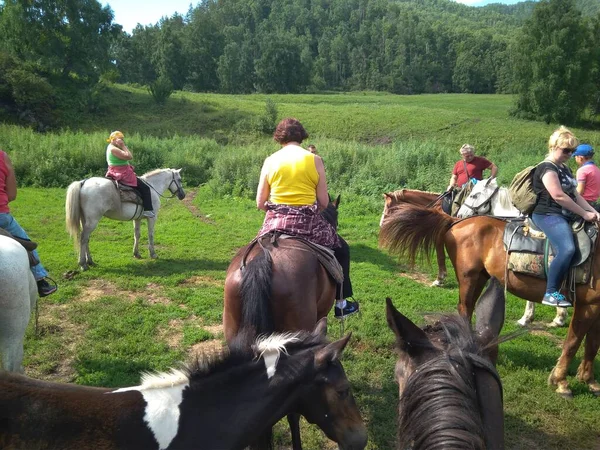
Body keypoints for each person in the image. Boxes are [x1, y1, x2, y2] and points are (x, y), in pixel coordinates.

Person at [256, 118, 359, 318]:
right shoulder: (315, 160)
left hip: (275, 222)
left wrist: (277, 209)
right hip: (308, 222)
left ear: (279, 137)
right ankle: (341, 304)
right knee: (342, 249)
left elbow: (260, 203)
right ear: (302, 136)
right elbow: (323, 201)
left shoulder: (270, 160)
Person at [531, 126, 600, 308]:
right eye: (566, 150)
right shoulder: (546, 168)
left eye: (572, 151)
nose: (569, 154)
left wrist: (595, 214)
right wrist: (584, 213)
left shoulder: (565, 168)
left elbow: (576, 195)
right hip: (547, 214)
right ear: (553, 147)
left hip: (564, 214)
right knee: (567, 248)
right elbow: (558, 196)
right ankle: (551, 292)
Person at [0, 149, 57, 297]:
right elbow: (12, 195)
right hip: (1, 216)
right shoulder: (2, 157)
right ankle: (40, 280)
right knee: (27, 243)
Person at [105, 131, 155, 218]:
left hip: (118, 170)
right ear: (114, 140)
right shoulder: (114, 149)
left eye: (122, 139)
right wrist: (123, 146)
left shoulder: (110, 147)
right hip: (123, 173)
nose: (122, 141)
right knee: (145, 188)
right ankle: (148, 210)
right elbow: (129, 156)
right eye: (120, 139)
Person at [573, 143, 600, 209]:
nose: (575, 159)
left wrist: (572, 200)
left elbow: (580, 190)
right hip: (594, 202)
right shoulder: (596, 169)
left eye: (575, 157)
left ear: (580, 158)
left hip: (583, 203)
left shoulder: (582, 170)